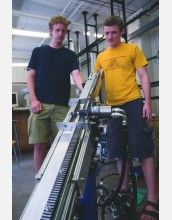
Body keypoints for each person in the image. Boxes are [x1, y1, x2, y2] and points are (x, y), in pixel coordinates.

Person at [94, 15, 159, 220]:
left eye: (113, 32)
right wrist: (91, 103)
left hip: (133, 102)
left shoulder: (132, 50)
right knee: (118, 150)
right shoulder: (101, 56)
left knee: (143, 148)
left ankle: (151, 198)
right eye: (106, 33)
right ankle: (123, 190)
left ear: (121, 31)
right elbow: (95, 85)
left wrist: (147, 103)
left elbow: (144, 76)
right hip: (113, 106)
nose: (110, 36)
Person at [27, 15, 84, 173]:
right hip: (40, 105)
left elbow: (76, 75)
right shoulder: (38, 52)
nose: (60, 33)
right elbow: (30, 76)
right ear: (50, 31)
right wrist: (33, 99)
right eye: (57, 30)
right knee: (39, 145)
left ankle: (58, 179)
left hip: (61, 108)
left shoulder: (70, 55)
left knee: (62, 147)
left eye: (63, 31)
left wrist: (85, 89)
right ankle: (40, 179)